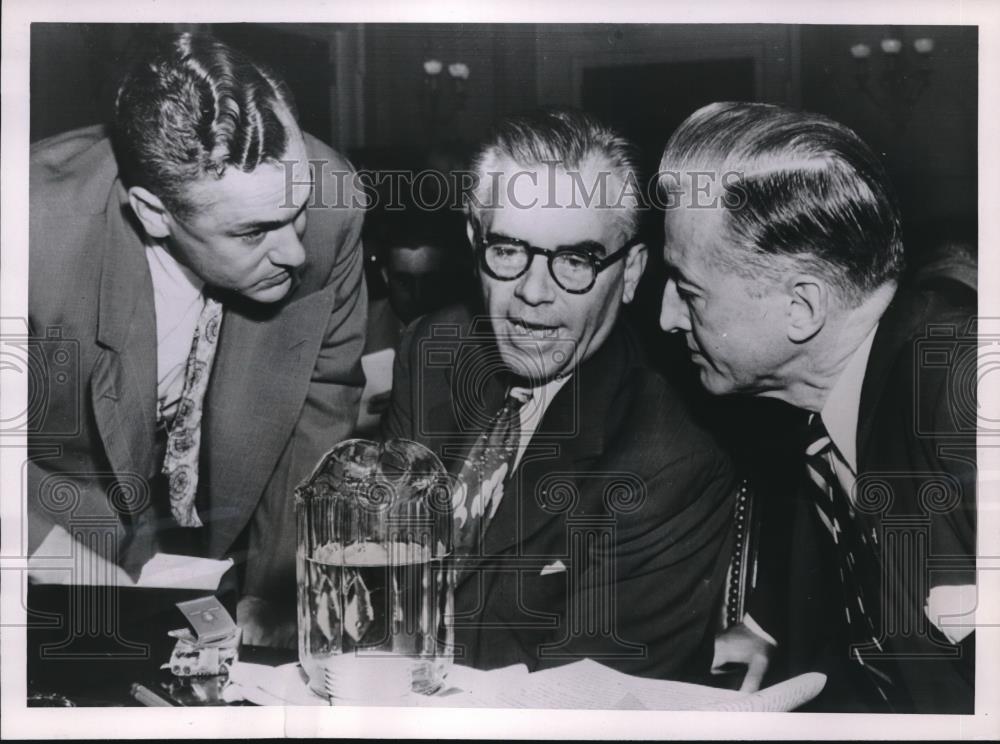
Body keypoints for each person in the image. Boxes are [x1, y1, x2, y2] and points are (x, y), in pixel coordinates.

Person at [27, 32, 367, 646]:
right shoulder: (28, 232)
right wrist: (84, 584)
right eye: (254, 232)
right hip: (58, 520)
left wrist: (275, 598)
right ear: (154, 213)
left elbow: (320, 416)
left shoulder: (333, 202)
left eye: (297, 211)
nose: (294, 250)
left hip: (225, 525)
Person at [382, 107, 737, 681]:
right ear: (475, 242)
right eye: (507, 251)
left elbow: (581, 707)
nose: (532, 293)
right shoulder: (434, 352)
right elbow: (380, 574)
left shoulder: (669, 458)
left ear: (629, 275)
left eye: (576, 260)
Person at [657, 102, 976, 712]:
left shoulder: (962, 385)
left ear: (802, 307)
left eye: (689, 291)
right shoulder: (823, 429)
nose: (667, 317)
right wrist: (764, 629)